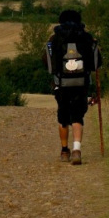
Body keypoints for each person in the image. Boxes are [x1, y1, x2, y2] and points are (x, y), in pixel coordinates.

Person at [44, 9, 100, 165]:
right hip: (81, 84)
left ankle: (64, 151)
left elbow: (49, 66)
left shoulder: (54, 39)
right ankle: (76, 150)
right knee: (77, 116)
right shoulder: (86, 38)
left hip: (61, 84)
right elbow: (96, 64)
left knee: (63, 117)